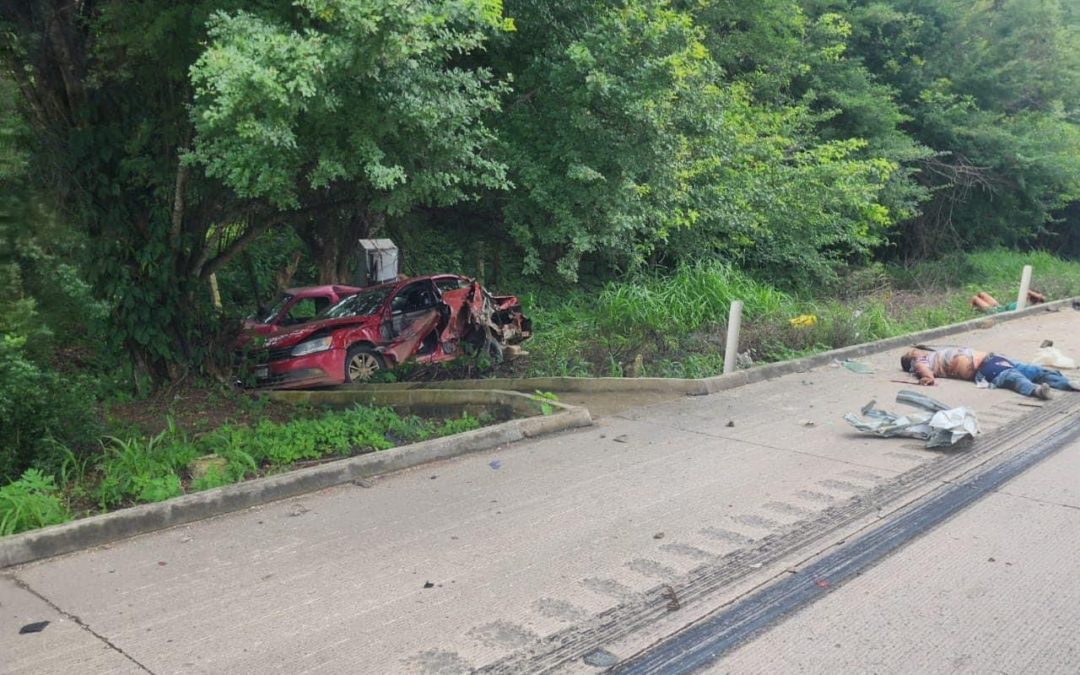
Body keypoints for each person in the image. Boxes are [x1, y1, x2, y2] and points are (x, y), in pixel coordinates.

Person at [900, 346, 1078, 400]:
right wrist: (927, 377)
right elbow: (923, 370)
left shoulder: (933, 353)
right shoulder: (920, 362)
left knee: (1034, 370)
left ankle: (1068, 384)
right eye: (911, 353)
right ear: (910, 361)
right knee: (1012, 377)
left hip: (992, 358)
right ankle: (1036, 391)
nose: (915, 352)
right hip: (982, 369)